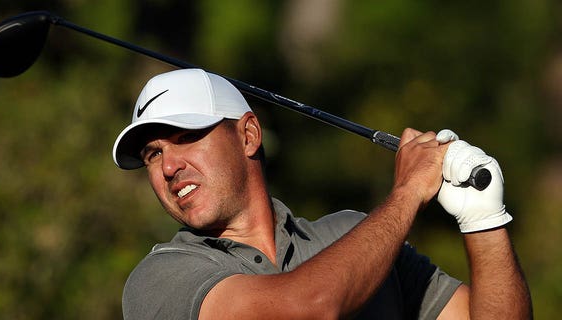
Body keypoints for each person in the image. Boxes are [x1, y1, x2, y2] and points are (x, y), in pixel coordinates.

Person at [112, 68, 532, 319]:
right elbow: (306, 310)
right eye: (153, 154)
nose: (169, 167)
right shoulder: (160, 280)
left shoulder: (354, 234)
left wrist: (483, 221)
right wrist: (407, 191)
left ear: (248, 135)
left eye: (187, 137)